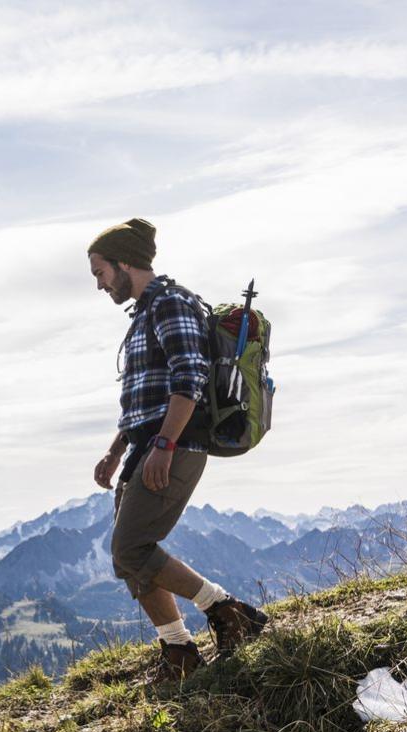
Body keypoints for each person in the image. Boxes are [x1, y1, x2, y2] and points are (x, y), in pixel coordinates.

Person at [87, 217, 267, 679]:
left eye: (101, 273)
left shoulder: (172, 304)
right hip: (147, 444)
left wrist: (165, 444)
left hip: (176, 444)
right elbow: (144, 396)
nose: (100, 285)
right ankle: (180, 651)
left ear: (125, 263)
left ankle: (229, 612)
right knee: (129, 561)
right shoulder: (145, 314)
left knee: (131, 548)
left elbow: (189, 378)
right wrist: (115, 449)